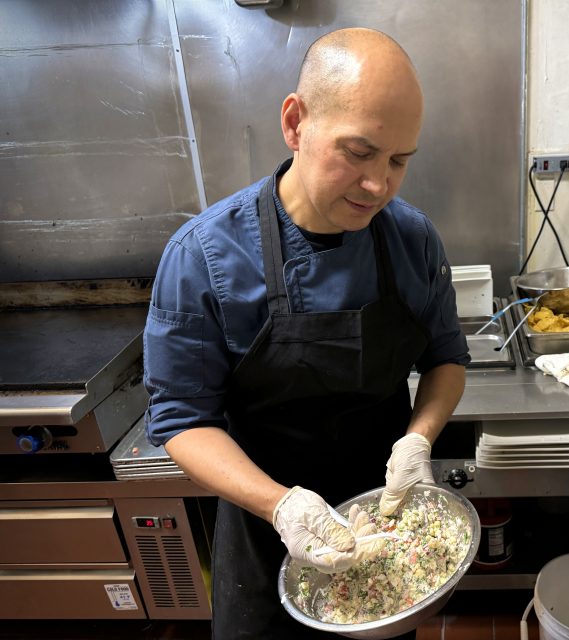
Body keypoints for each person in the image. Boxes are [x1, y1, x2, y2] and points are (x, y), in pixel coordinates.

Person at [143, 27, 470, 639]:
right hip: (267, 533)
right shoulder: (203, 256)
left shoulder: (412, 239)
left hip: (385, 525)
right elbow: (182, 419)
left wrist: (416, 443)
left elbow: (446, 359)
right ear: (296, 123)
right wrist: (282, 506)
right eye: (359, 152)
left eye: (400, 160)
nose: (380, 185)